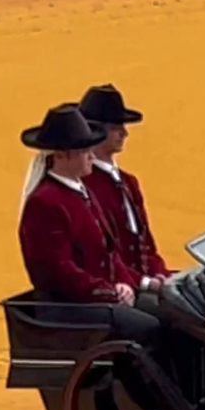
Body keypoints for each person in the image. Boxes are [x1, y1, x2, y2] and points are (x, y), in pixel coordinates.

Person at [17, 103, 158, 344]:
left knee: (175, 316)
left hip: (93, 301)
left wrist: (123, 283)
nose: (92, 156)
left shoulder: (82, 193)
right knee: (151, 328)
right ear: (62, 156)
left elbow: (109, 252)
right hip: (68, 308)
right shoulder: (45, 202)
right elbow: (59, 272)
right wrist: (108, 292)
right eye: (84, 151)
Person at [78, 84, 172, 291]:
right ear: (95, 131)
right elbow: (101, 254)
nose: (124, 133)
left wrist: (160, 273)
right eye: (115, 127)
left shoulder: (129, 182)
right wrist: (144, 283)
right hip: (119, 288)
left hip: (144, 283)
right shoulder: (85, 185)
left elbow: (147, 243)